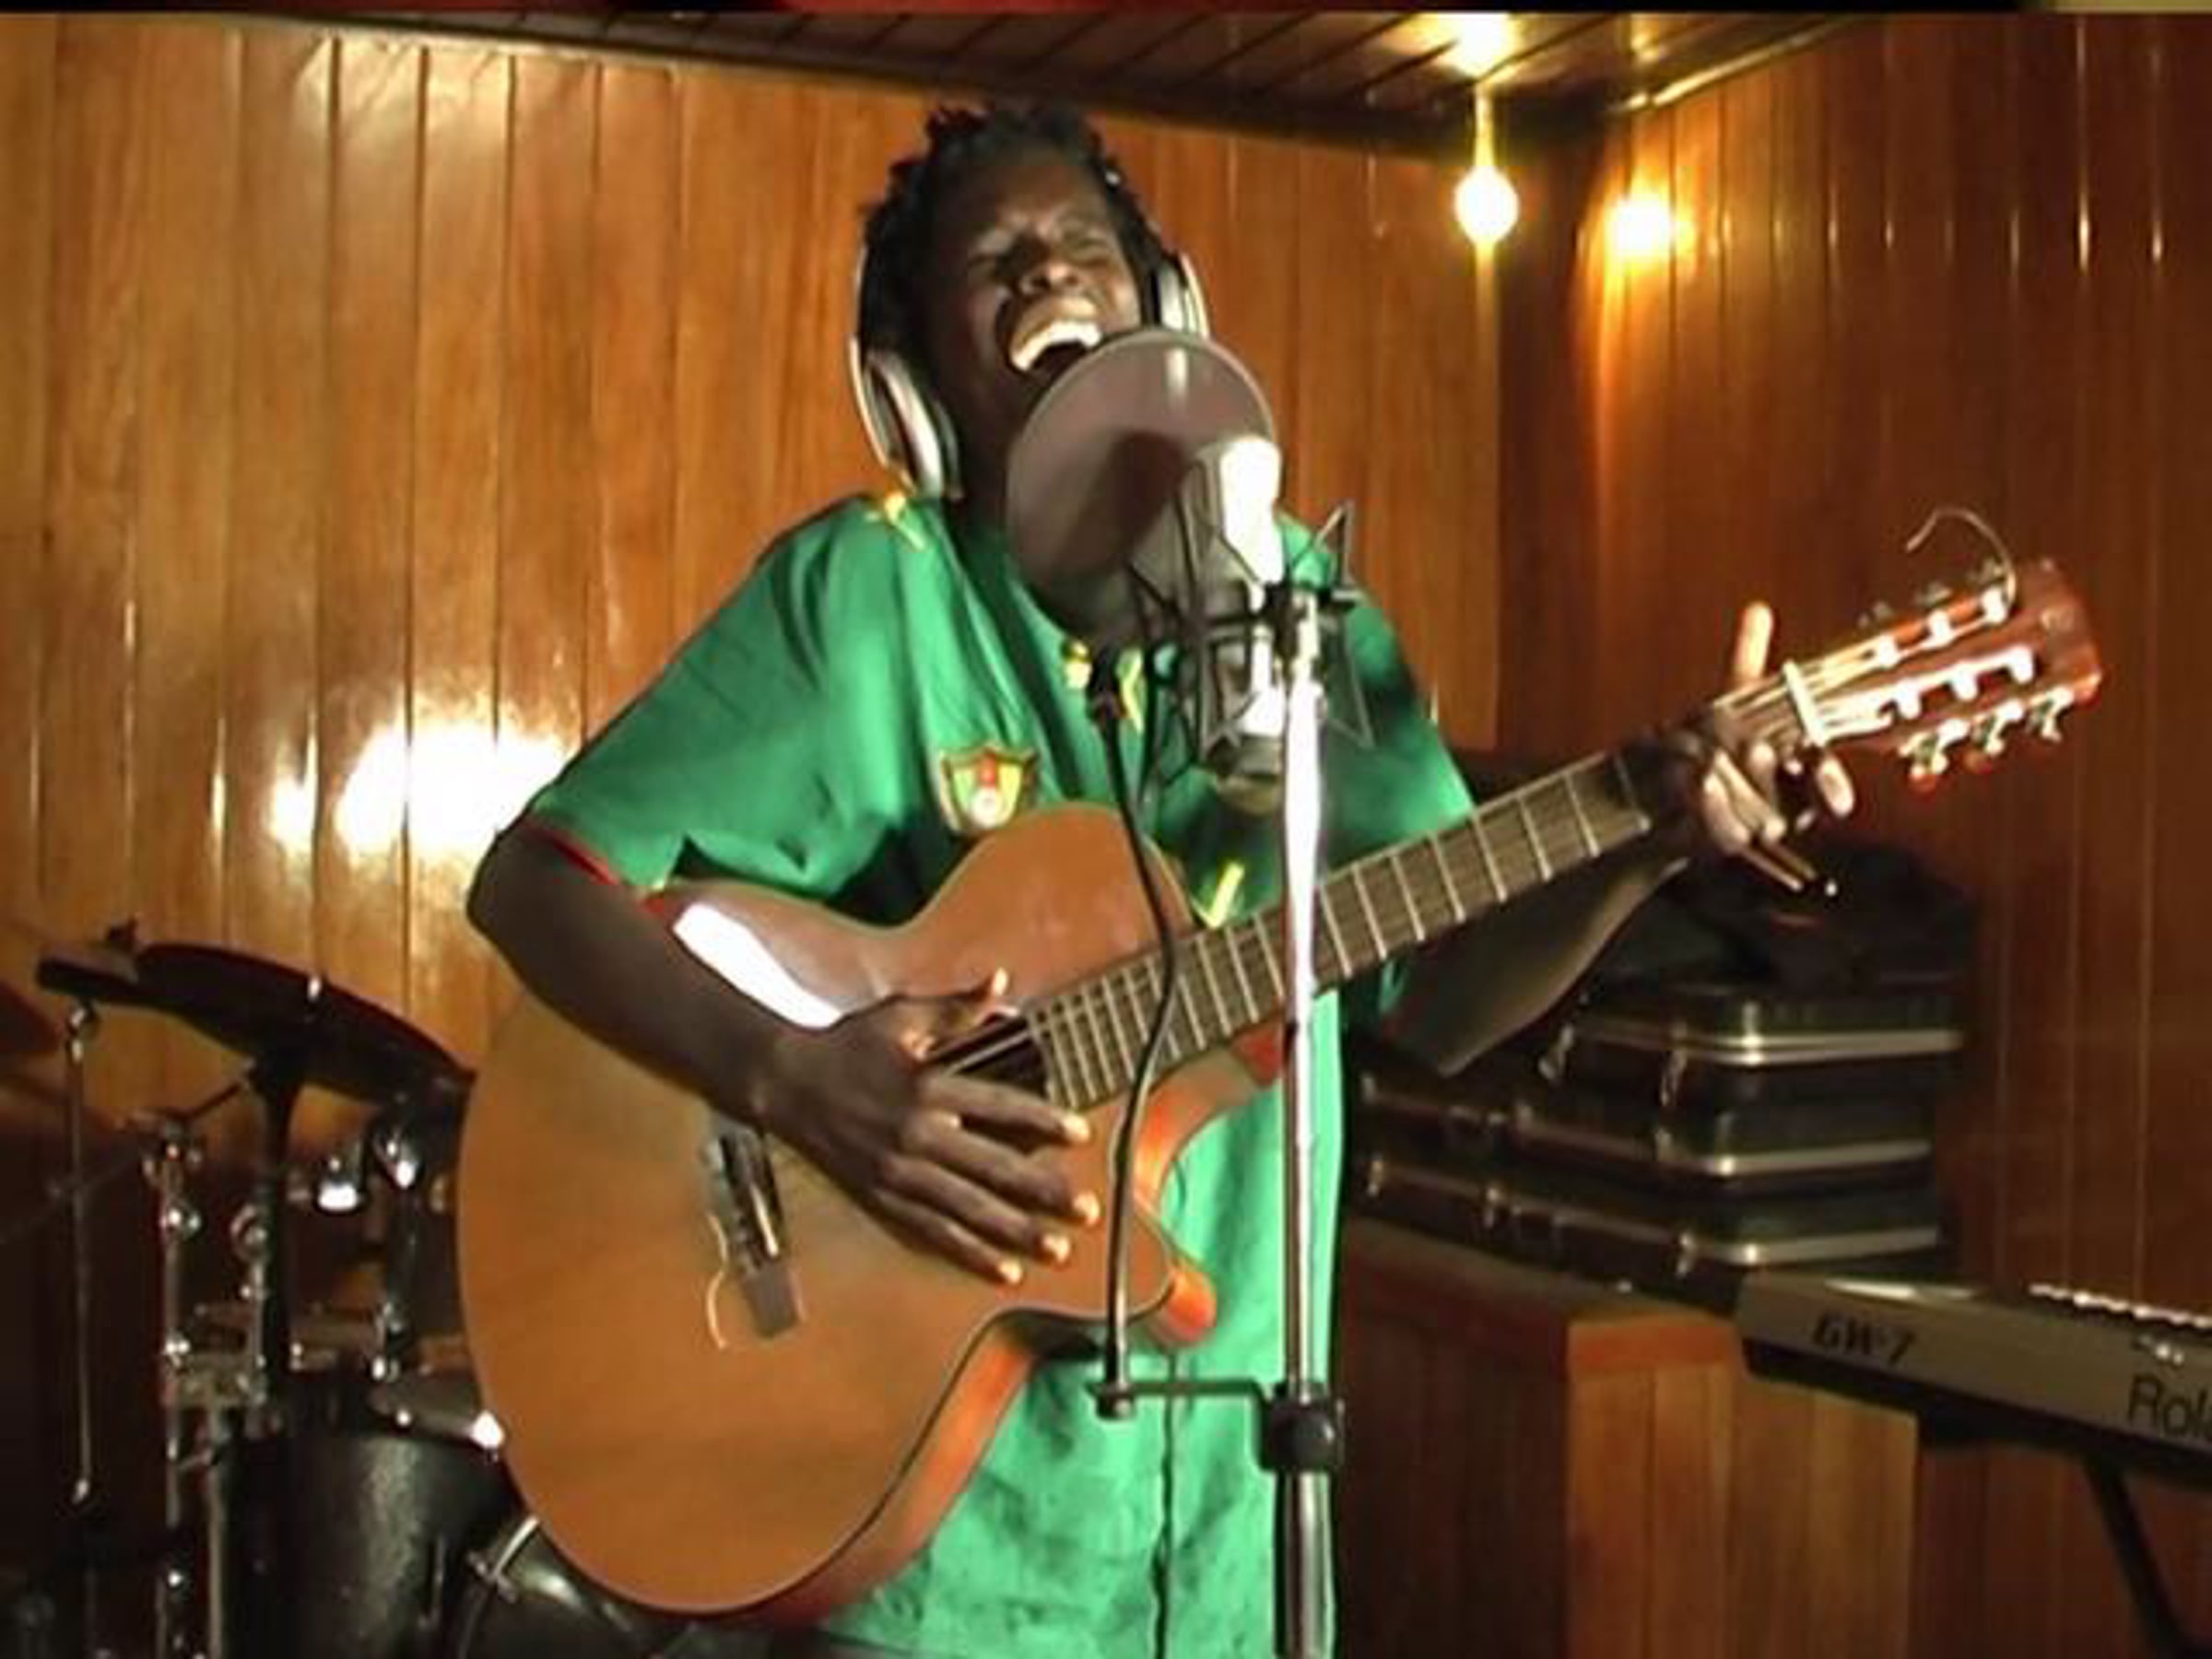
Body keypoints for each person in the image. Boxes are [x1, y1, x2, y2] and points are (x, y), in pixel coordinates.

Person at [466, 101, 1850, 1659]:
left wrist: (1645, 841)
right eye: (992, 262)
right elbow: (538, 884)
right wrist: (796, 1082)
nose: (1046, 272)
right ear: (916, 390)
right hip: (942, 1572)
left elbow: (1440, 1003)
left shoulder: (1300, 611)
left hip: (1230, 1554)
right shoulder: (870, 598)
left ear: (1161, 306)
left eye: (1084, 246)